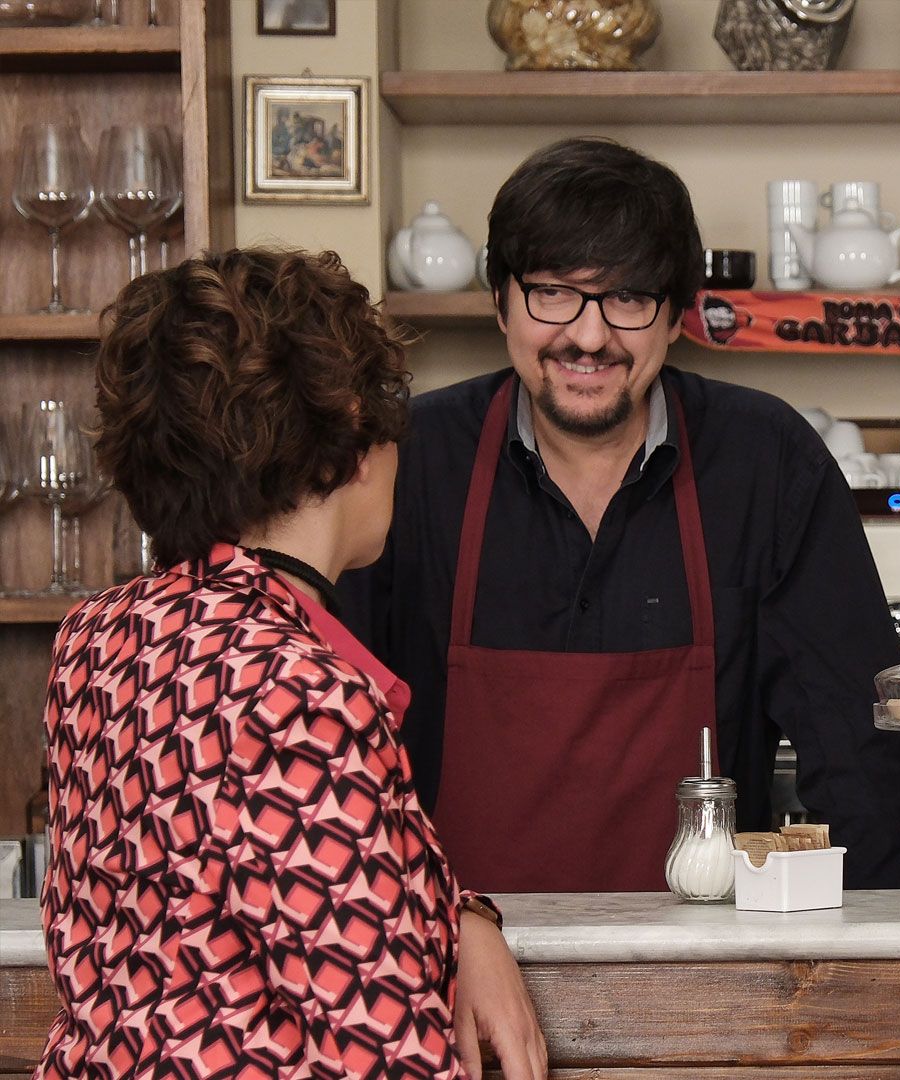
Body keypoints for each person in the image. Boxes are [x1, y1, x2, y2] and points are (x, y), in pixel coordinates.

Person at [339, 137, 900, 893]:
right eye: (552, 292)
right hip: (451, 971)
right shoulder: (407, 463)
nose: (589, 337)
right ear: (500, 301)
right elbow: (335, 749)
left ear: (677, 317)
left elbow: (863, 754)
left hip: (707, 970)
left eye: (628, 299)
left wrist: (890, 954)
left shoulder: (766, 460)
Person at [41, 249, 545, 1078]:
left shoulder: (95, 639)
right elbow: (384, 1054)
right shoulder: (298, 690)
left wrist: (459, 914)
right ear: (347, 435)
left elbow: (223, 882)